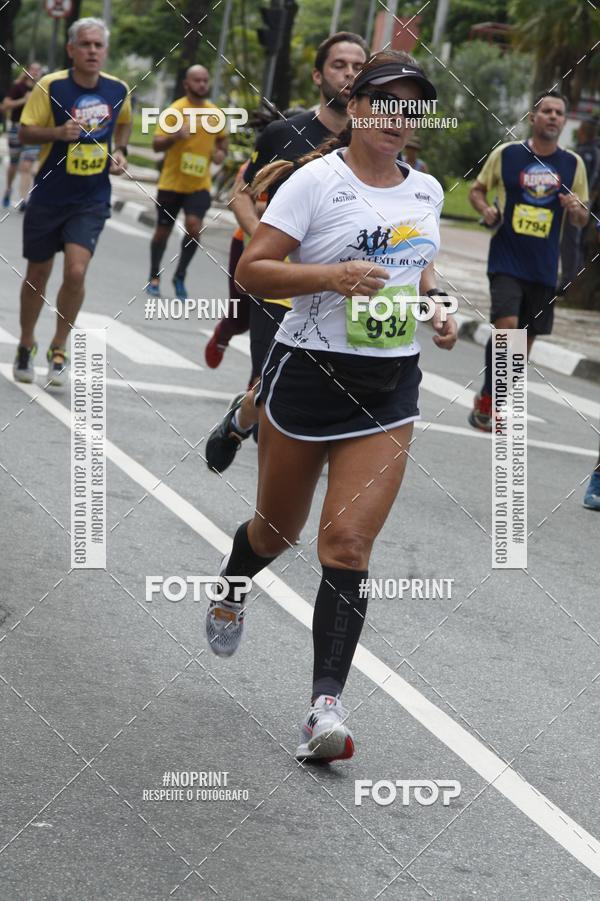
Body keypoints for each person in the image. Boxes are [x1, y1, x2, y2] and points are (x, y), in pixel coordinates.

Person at [204, 51, 457, 763]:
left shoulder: (428, 191)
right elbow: (255, 267)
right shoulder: (316, 182)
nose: (397, 119)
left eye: (412, 108)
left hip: (389, 387)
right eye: (385, 102)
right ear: (357, 108)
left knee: (346, 543)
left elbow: (419, 265)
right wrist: (331, 276)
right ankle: (234, 579)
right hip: (308, 375)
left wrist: (438, 309)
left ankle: (324, 708)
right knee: (275, 531)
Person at [205, 31, 369, 471]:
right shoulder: (284, 133)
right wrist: (265, 242)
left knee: (317, 390)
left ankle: (241, 419)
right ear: (319, 75)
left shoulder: (374, 143)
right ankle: (272, 512)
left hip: (346, 292)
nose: (350, 74)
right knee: (273, 383)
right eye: (340, 65)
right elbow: (242, 192)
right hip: (282, 286)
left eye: (358, 66)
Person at [12, 18, 130, 388]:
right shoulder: (51, 86)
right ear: (71, 50)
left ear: (105, 51)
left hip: (91, 197)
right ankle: (27, 342)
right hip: (49, 194)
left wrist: (121, 151)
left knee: (76, 272)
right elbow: (24, 129)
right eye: (86, 45)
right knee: (37, 275)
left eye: (98, 46)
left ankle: (59, 346)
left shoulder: (118, 89)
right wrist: (57, 133)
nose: (92, 51)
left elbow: (123, 124)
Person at [468, 90, 589, 431]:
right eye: (546, 111)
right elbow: (476, 190)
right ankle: (489, 401)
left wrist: (575, 210)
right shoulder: (507, 154)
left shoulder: (572, 164)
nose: (553, 117)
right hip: (506, 258)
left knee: (524, 340)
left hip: (545, 265)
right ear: (532, 118)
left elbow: (581, 218)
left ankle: (496, 397)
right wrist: (486, 208)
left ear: (564, 122)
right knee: (506, 328)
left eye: (559, 113)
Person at [147, 65, 228, 301]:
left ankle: (180, 275)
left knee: (194, 227)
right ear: (186, 84)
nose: (202, 84)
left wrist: (220, 153)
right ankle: (154, 275)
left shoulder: (215, 114)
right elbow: (156, 144)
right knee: (162, 232)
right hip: (171, 183)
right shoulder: (175, 111)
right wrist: (174, 136)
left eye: (205, 80)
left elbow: (223, 142)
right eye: (197, 80)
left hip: (199, 184)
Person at [559, 118, 600, 291]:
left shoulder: (582, 153)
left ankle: (568, 281)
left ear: (582, 132)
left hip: (576, 201)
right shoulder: (597, 151)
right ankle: (572, 279)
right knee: (578, 241)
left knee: (570, 240)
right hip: (589, 200)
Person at [2, 63, 43, 210]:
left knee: (27, 165)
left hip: (33, 130)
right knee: (14, 165)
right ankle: (8, 189)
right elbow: (4, 106)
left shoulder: (42, 89)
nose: (36, 72)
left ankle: (23, 200)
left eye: (38, 70)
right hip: (16, 129)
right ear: (27, 71)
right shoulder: (18, 87)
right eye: (33, 69)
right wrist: (23, 100)